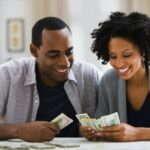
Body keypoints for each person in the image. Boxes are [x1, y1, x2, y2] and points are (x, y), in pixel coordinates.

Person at [0, 17, 103, 142]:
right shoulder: (7, 75)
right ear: (34, 51)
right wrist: (19, 131)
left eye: (69, 52)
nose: (65, 62)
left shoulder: (89, 75)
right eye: (53, 55)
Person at [80, 11, 150, 142]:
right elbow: (100, 120)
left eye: (127, 55)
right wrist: (93, 131)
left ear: (143, 52)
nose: (118, 63)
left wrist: (137, 134)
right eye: (113, 56)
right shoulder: (109, 80)